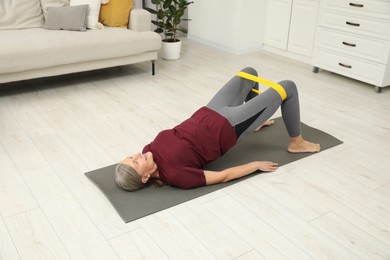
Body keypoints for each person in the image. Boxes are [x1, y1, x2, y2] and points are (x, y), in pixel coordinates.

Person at [115, 67, 320, 191]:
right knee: (288, 87)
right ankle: (297, 142)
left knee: (249, 74)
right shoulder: (177, 176)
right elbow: (223, 176)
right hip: (227, 126)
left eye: (131, 156)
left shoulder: (147, 150)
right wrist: (255, 165)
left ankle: (255, 121)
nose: (137, 154)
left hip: (208, 112)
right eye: (135, 162)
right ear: (144, 177)